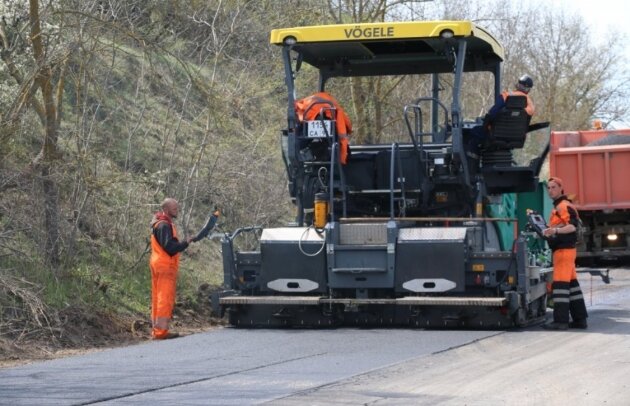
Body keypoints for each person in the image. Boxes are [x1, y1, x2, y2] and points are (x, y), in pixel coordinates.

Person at [542, 177, 588, 330]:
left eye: (553, 187)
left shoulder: (563, 206)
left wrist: (555, 230)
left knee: (560, 286)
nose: (550, 190)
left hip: (564, 251)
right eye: (548, 188)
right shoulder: (559, 207)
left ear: (561, 188)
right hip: (564, 251)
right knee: (573, 286)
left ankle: (560, 321)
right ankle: (580, 320)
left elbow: (572, 227)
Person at [149, 198, 194, 339]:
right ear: (167, 210)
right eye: (175, 209)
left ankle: (157, 330)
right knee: (164, 298)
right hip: (164, 265)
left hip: (158, 263)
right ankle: (161, 332)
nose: (177, 211)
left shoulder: (160, 223)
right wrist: (185, 243)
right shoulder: (163, 225)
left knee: (157, 298)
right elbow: (170, 247)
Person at [467, 74, 535, 157]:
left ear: (518, 84)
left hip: (496, 135)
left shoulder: (506, 96)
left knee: (474, 131)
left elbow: (492, 113)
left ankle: (473, 158)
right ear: (529, 90)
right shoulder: (530, 105)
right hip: (516, 138)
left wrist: (486, 123)